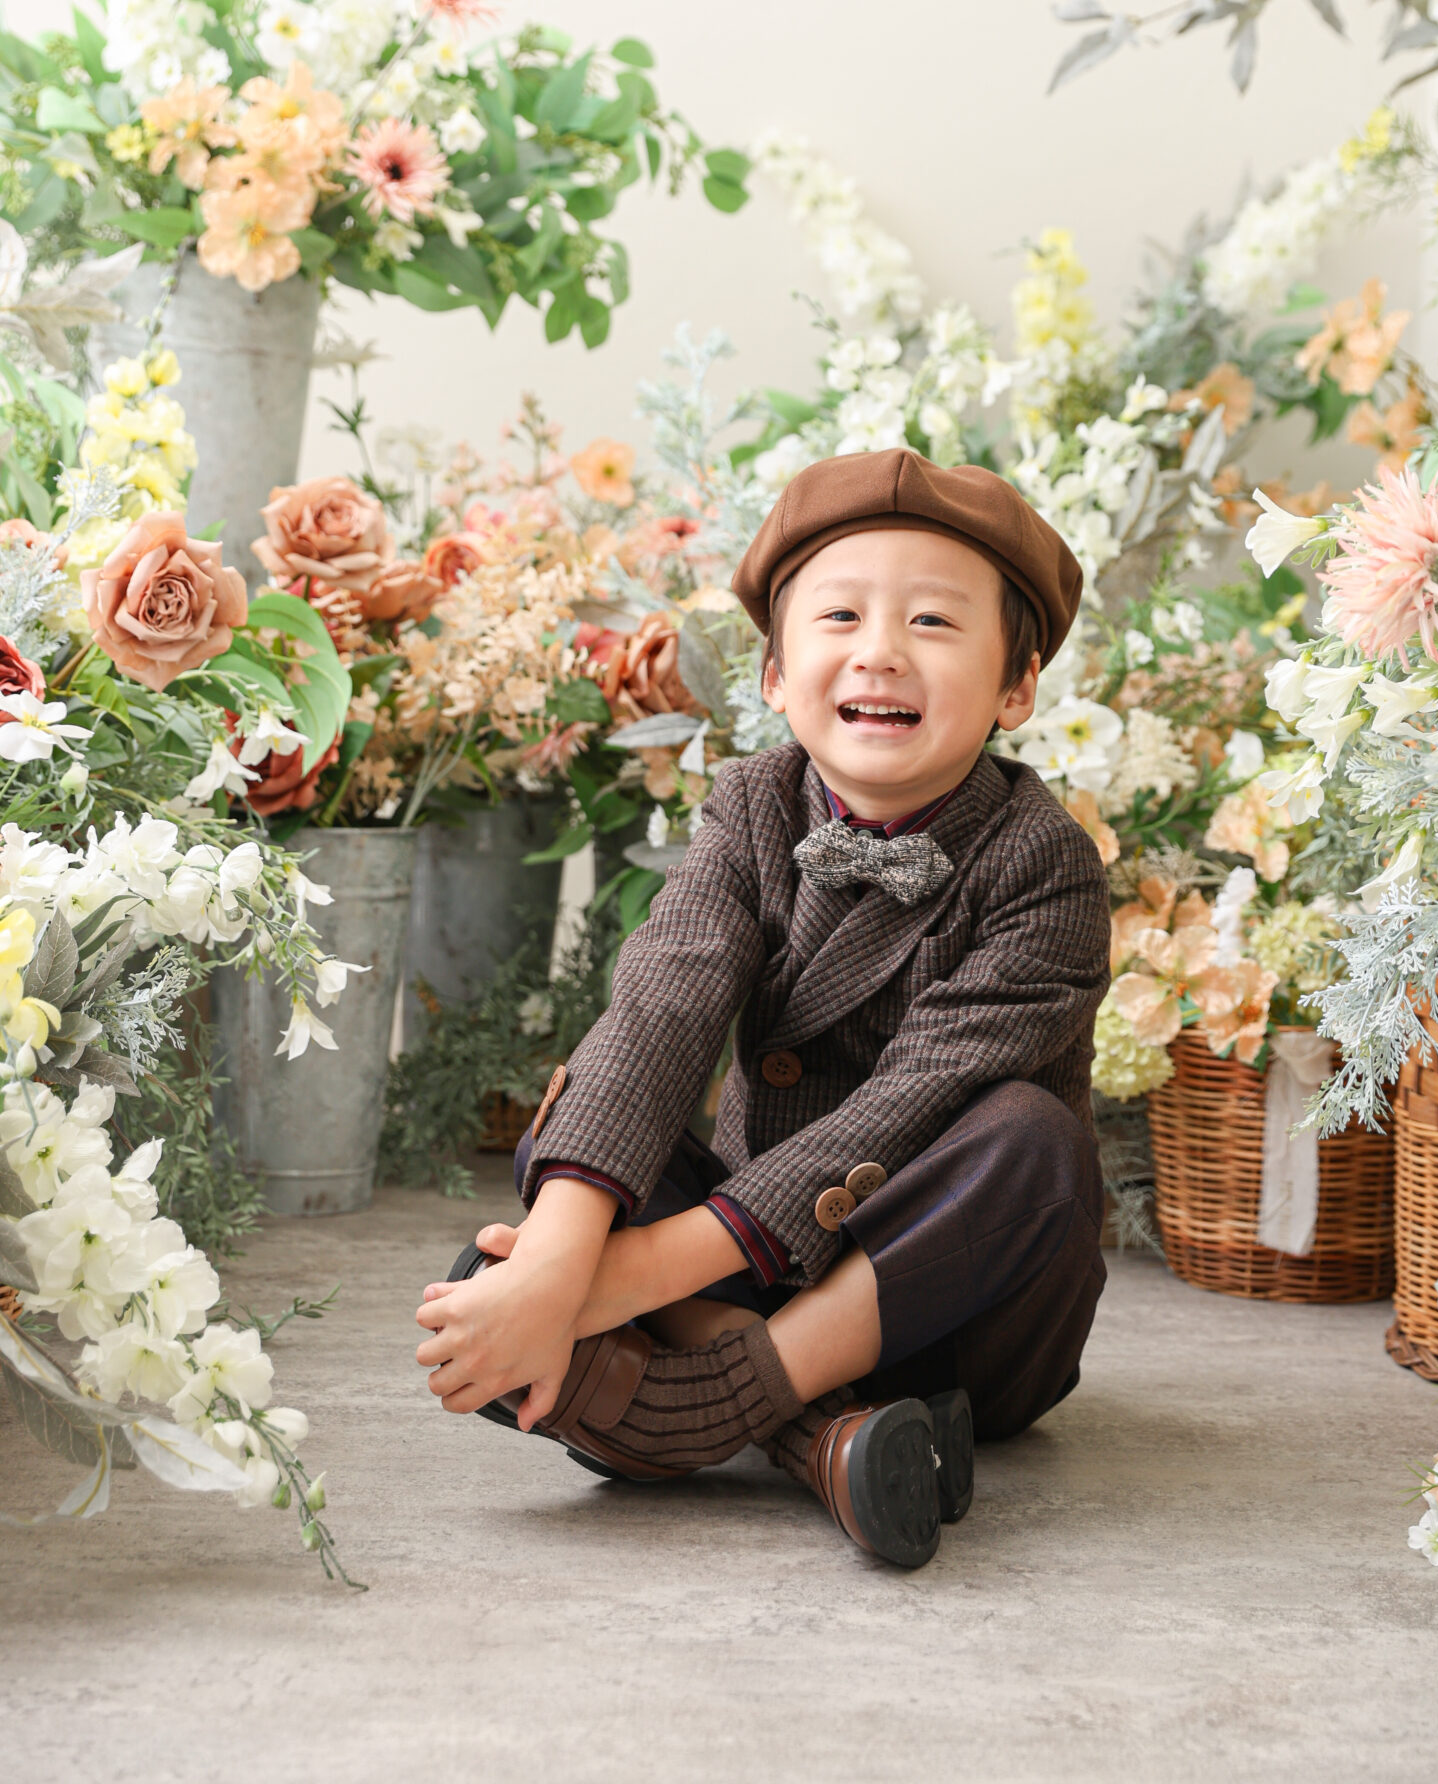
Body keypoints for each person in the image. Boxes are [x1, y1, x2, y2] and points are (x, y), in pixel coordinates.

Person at [415, 447, 1111, 1568]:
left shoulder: (1044, 862)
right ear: (778, 676)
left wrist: (616, 1282)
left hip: (955, 1303)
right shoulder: (750, 805)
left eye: (933, 622)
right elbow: (664, 1003)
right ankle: (820, 1438)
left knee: (1032, 1140)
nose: (879, 649)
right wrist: (556, 1258)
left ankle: (686, 1395)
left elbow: (909, 1105)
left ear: (1016, 687)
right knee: (577, 1116)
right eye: (840, 615)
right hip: (750, 1255)